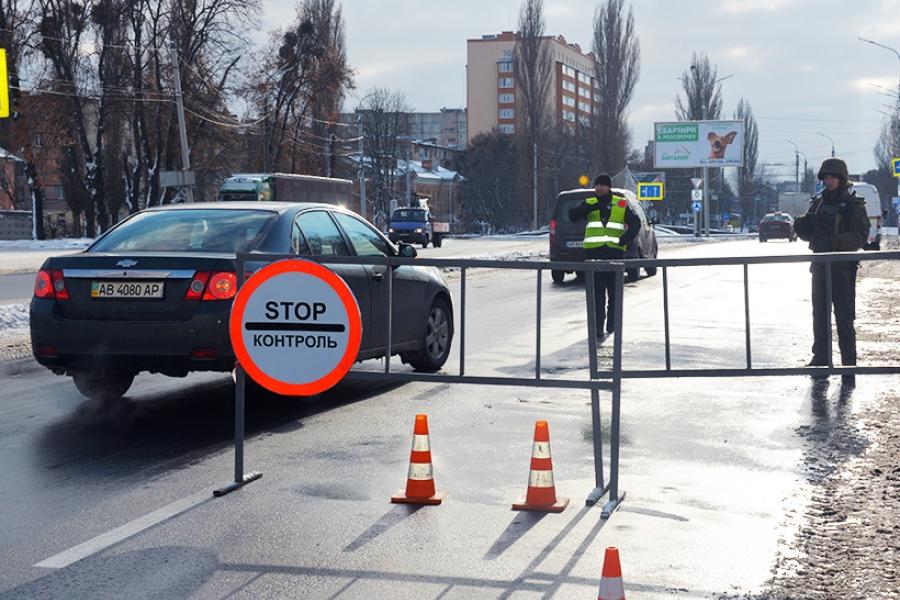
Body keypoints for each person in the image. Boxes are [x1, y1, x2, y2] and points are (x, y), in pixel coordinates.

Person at [793, 158, 870, 385]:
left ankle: (849, 367)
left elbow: (860, 235)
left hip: (842, 270)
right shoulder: (818, 203)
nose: (829, 182)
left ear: (842, 179)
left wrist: (834, 243)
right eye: (826, 178)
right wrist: (803, 227)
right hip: (819, 268)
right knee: (820, 317)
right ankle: (821, 362)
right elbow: (810, 232)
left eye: (833, 177)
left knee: (844, 320)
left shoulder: (853, 205)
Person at [568, 174, 641, 340]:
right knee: (597, 295)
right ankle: (598, 329)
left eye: (602, 185)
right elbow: (572, 215)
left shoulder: (620, 203)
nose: (598, 188)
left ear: (609, 187)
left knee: (614, 294)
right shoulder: (590, 203)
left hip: (614, 254)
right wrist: (586, 209)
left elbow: (635, 222)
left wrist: (626, 237)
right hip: (594, 255)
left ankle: (612, 326)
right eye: (596, 185)